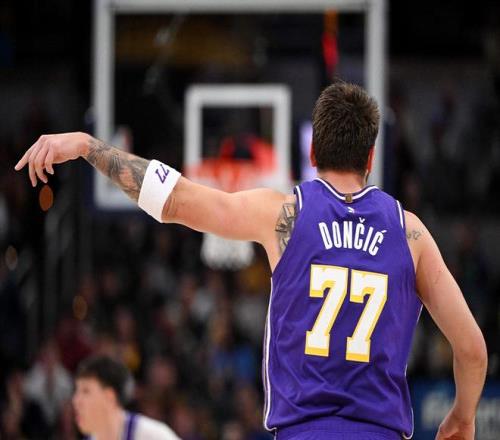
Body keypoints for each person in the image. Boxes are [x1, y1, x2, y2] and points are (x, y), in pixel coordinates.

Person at [15, 81, 487, 440]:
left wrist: (87, 145)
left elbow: (173, 199)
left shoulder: (286, 215)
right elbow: (471, 349)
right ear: (371, 156)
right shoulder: (410, 232)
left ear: (312, 151)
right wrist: (462, 416)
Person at [72, 355, 180, 439]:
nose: (76, 400)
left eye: (85, 391)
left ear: (109, 397)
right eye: (76, 391)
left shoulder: (152, 435)